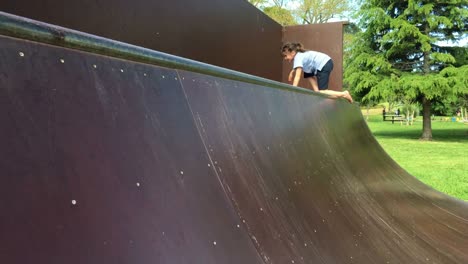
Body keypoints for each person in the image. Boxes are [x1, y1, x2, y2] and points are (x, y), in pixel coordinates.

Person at [281, 42, 353, 103]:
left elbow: (297, 76)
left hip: (324, 64)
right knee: (307, 74)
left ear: (293, 53)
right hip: (325, 62)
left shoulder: (298, 57)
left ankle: (344, 94)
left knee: (323, 91)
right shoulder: (300, 55)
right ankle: (317, 92)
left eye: (285, 55)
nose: (285, 58)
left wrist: (293, 90)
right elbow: (297, 68)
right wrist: (292, 71)